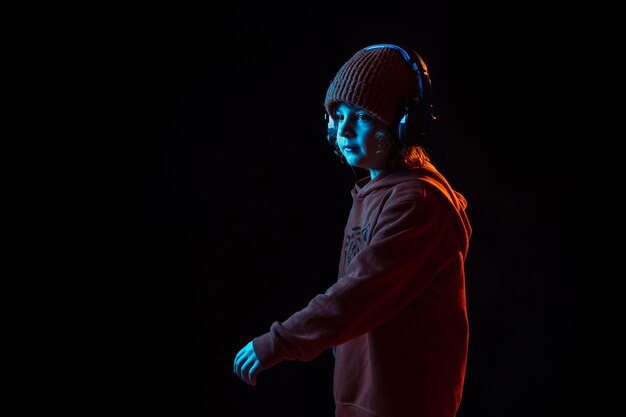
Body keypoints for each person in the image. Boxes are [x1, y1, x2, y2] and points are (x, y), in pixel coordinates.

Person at [233, 43, 472, 417]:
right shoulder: (372, 191)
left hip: (402, 405)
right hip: (362, 399)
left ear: (404, 124)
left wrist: (278, 342)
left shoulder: (417, 204)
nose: (343, 130)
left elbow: (357, 295)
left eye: (361, 116)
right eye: (338, 115)